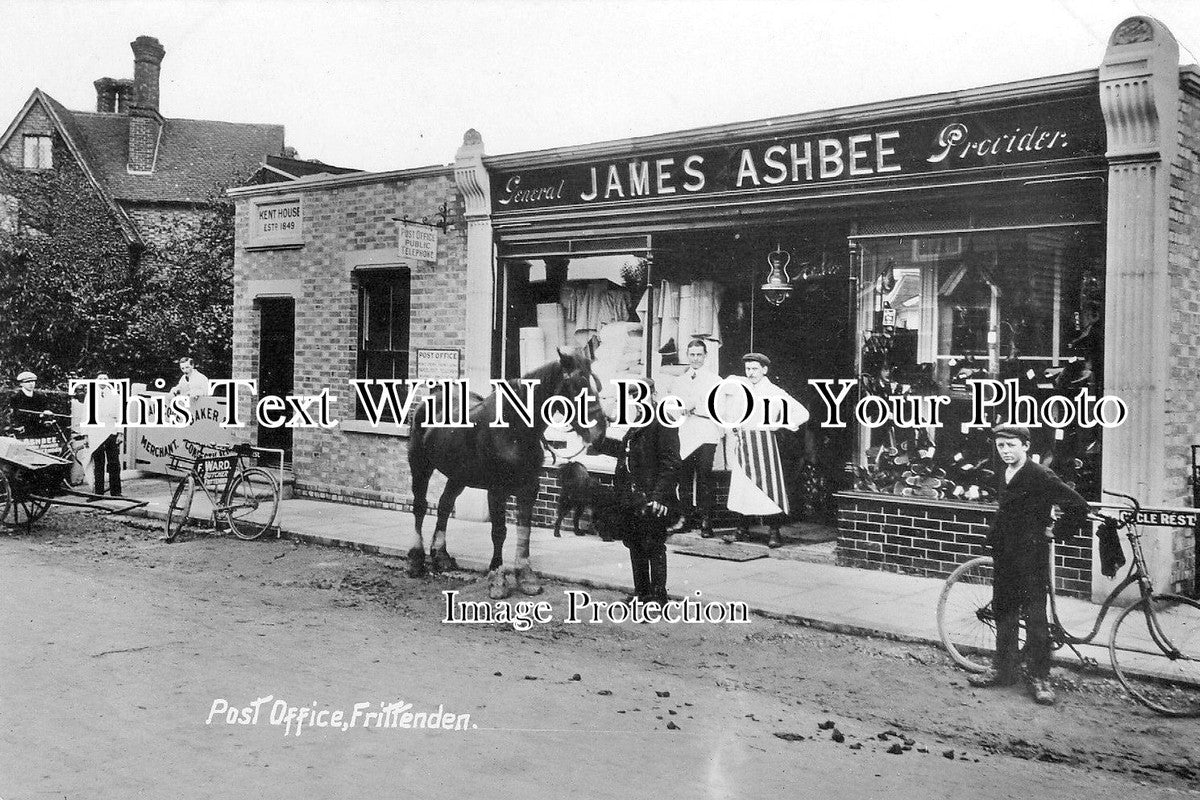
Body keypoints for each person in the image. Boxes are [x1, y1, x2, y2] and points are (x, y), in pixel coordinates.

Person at [967, 424, 1088, 706]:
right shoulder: (1003, 471)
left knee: (1035, 617)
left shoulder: (1040, 474)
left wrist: (1057, 532)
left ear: (1025, 445)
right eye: (1001, 446)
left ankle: (1040, 677)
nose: (1006, 451)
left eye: (1011, 445)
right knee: (1004, 609)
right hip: (1005, 551)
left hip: (1031, 554)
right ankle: (1004, 670)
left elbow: (1079, 506)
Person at [720, 353, 809, 548]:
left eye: (755, 369)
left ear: (764, 370)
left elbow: (802, 413)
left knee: (768, 489)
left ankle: (774, 532)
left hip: (764, 443)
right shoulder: (741, 388)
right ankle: (741, 530)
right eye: (748, 369)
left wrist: (778, 424)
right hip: (743, 442)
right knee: (743, 488)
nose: (750, 373)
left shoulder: (774, 391)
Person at [606, 379, 682, 605]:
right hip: (632, 498)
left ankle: (658, 596)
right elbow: (625, 453)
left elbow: (672, 462)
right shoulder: (637, 422)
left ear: (652, 393)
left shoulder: (662, 420)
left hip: (653, 497)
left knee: (654, 544)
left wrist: (659, 497)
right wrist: (599, 443)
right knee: (635, 543)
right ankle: (641, 592)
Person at [665, 339, 723, 537]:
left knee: (705, 477)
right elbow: (671, 407)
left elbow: (718, 407)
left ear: (705, 356)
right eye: (692, 355)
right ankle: (686, 518)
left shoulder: (715, 380)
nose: (696, 358)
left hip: (706, 432)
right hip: (686, 433)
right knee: (684, 478)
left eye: (699, 354)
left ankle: (706, 521)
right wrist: (680, 409)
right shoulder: (679, 381)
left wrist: (694, 406)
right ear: (687, 356)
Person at [86, 373, 123, 497]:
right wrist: (86, 435)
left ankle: (116, 492)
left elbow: (120, 414)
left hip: (111, 431)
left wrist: (120, 433)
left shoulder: (115, 395)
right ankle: (98, 493)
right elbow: (86, 416)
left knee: (114, 463)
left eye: (105, 379)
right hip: (96, 433)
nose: (102, 381)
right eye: (100, 379)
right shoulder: (90, 395)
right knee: (98, 463)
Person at [9, 370, 55, 435]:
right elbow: (15, 416)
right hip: (22, 430)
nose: (31, 384)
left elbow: (44, 409)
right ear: (21, 383)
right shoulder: (16, 397)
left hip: (38, 429)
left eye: (33, 381)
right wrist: (39, 415)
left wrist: (47, 413)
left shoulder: (40, 396)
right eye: (28, 382)